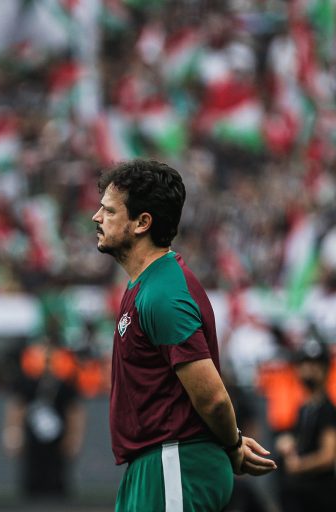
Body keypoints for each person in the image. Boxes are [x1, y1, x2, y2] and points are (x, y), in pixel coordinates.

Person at [91, 160, 276, 511]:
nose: (96, 218)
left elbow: (213, 398)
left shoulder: (164, 293)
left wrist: (233, 443)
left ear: (142, 223)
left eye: (109, 210)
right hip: (156, 465)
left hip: (174, 462)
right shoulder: (146, 285)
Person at [2, 324, 85, 499]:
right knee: (32, 485)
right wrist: (13, 433)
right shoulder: (27, 382)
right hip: (32, 441)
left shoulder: (65, 384)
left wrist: (74, 438)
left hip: (57, 443)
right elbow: (17, 407)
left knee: (57, 484)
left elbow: (74, 411)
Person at [275, 337, 336, 511]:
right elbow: (302, 441)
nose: (308, 369)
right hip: (300, 494)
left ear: (324, 369)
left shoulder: (327, 409)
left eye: (315, 364)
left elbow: (328, 456)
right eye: (305, 364)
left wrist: (299, 465)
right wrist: (288, 443)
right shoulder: (304, 408)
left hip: (320, 495)